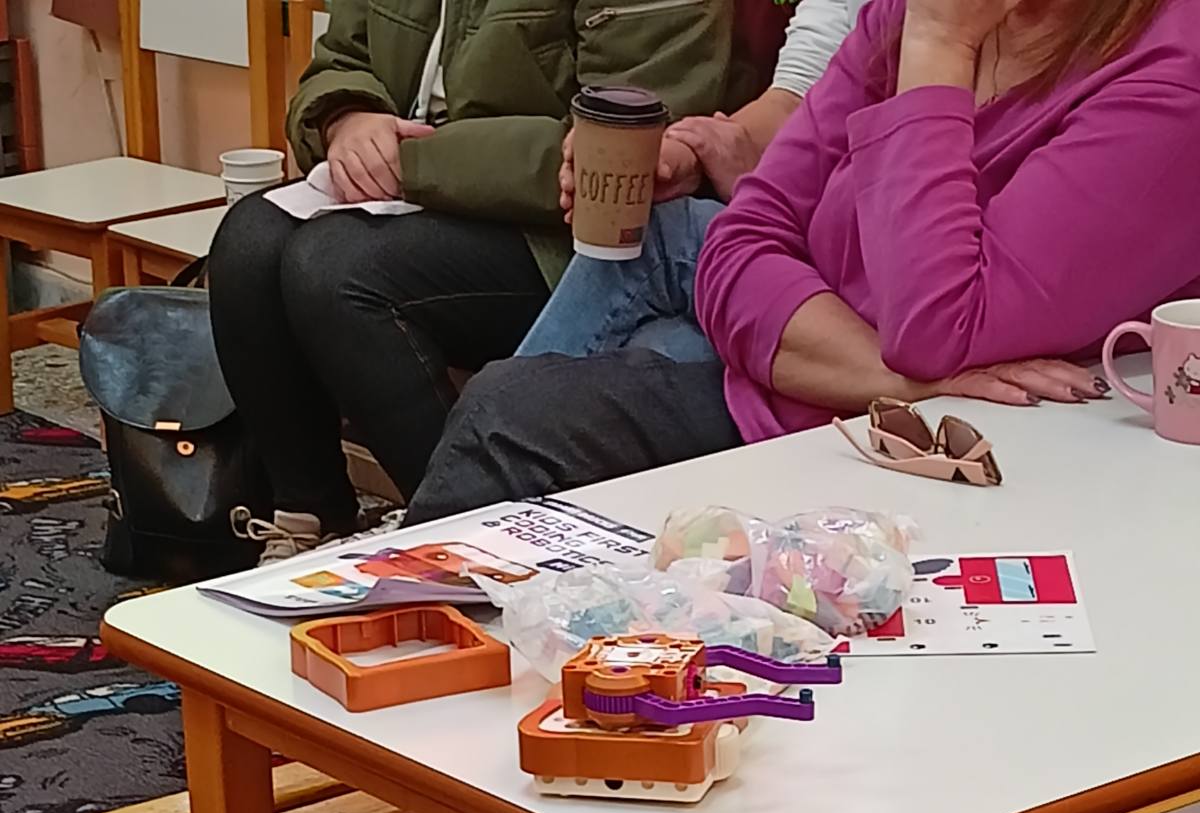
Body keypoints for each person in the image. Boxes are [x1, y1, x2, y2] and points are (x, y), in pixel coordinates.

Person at [405, 0, 1200, 524]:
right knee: (518, 409)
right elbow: (742, 238)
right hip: (825, 403)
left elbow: (938, 328)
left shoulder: (1167, 73)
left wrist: (938, 48)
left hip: (971, 470)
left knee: (513, 418)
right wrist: (901, 383)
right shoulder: (908, 15)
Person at [206, 0, 754, 560]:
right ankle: (310, 519)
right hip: (425, 189)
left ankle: (458, 528)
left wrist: (415, 162)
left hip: (566, 232)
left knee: (335, 269)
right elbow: (342, 59)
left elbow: (624, 142)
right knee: (248, 242)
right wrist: (346, 117)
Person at [519, 0, 869, 365]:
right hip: (807, 244)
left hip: (853, 275)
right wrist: (687, 154)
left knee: (659, 262)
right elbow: (795, 97)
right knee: (654, 342)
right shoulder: (870, 27)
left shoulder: (902, 28)